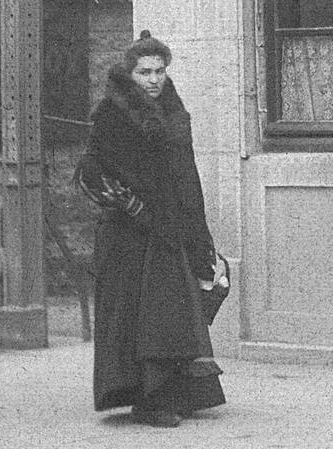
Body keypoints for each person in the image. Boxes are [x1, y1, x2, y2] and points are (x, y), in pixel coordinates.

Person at [75, 31, 225, 427]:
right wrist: (132, 204)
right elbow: (91, 170)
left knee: (169, 315)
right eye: (145, 72)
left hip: (168, 229)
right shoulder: (111, 113)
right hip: (128, 234)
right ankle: (147, 401)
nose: (154, 79)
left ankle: (176, 394)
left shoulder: (173, 112)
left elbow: (186, 176)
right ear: (131, 73)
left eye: (159, 70)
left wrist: (197, 231)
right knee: (138, 318)